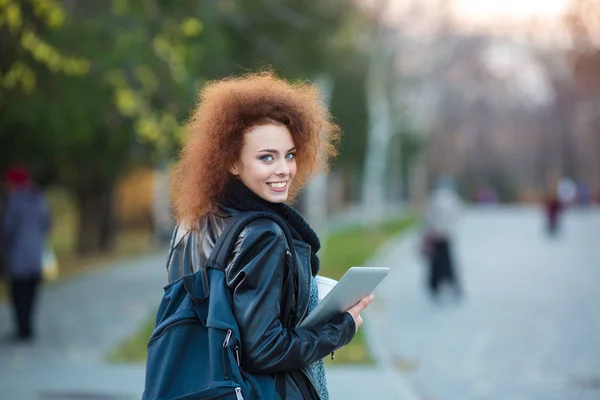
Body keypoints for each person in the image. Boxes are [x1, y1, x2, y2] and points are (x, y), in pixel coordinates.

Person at [167, 71, 373, 399]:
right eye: (267, 157)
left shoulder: (191, 222)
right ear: (232, 162)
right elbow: (265, 350)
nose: (284, 169)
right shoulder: (263, 235)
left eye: (289, 155)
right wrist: (340, 328)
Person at [1, 164, 51, 342]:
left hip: (18, 256)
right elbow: (47, 224)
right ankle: (28, 328)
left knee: (18, 294)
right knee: (31, 294)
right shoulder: (39, 197)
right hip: (36, 255)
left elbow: (7, 228)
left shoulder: (14, 199)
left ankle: (21, 330)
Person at [423, 178, 462, 301]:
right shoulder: (453, 199)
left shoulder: (433, 199)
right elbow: (457, 216)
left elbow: (428, 217)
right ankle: (452, 285)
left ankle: (435, 286)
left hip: (436, 235)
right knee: (448, 262)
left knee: (436, 264)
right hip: (446, 236)